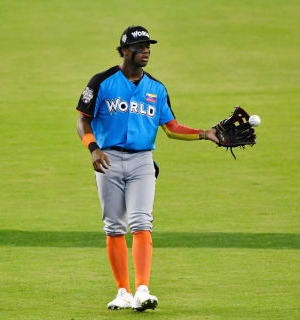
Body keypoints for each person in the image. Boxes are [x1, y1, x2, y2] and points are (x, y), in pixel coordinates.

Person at [76, 25, 218, 312]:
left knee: (142, 223)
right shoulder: (102, 82)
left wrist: (205, 133)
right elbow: (83, 120)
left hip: (142, 161)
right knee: (114, 227)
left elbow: (171, 127)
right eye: (140, 47)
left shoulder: (156, 88)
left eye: (148, 47)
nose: (146, 51)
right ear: (124, 51)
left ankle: (142, 289)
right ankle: (123, 292)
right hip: (108, 159)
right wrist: (93, 148)